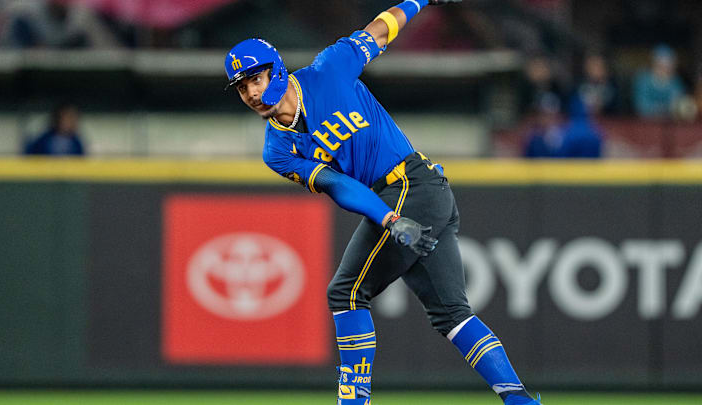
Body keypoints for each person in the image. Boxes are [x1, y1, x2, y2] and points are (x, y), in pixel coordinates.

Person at [224, 1, 541, 404]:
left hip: (411, 183)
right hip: (404, 198)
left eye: (255, 77)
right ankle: (520, 400)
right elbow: (338, 184)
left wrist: (418, 0)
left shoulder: (329, 69)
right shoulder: (278, 149)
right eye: (241, 86)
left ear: (276, 67)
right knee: (452, 315)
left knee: (345, 293)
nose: (251, 92)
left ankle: (353, 402)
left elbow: (379, 30)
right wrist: (388, 218)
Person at [633, 45, 685, 119]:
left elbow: (678, 106)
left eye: (669, 64)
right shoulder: (643, 81)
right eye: (662, 63)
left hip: (670, 124)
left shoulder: (676, 82)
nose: (665, 67)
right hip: (645, 123)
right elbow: (641, 106)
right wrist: (663, 109)